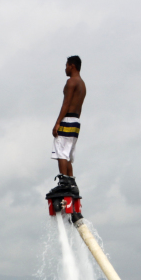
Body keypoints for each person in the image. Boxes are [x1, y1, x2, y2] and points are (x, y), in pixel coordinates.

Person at [50, 55, 86, 195]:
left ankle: (64, 182)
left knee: (61, 152)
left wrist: (58, 122)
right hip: (76, 121)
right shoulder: (82, 84)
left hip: (68, 119)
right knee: (67, 154)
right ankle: (71, 183)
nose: (65, 68)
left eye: (66, 65)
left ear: (72, 66)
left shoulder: (71, 82)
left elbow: (66, 103)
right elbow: (80, 106)